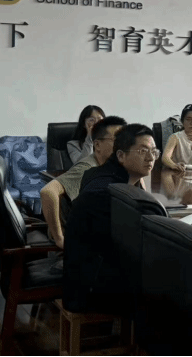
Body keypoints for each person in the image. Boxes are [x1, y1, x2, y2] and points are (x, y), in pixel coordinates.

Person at [64, 123, 159, 313]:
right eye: (143, 151)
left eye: (154, 152)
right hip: (91, 291)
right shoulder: (110, 193)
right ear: (121, 155)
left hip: (90, 277)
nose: (151, 158)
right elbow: (138, 243)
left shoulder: (99, 175)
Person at [40, 116, 126, 249]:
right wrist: (59, 239)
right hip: (78, 240)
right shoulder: (87, 168)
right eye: (116, 140)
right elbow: (47, 192)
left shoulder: (114, 166)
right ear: (97, 145)